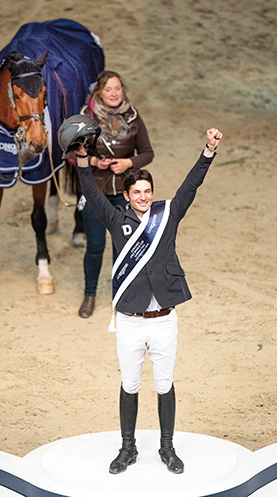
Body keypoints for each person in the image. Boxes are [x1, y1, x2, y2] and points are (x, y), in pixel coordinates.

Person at [57, 117, 222, 474]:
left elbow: (190, 187)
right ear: (128, 197)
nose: (144, 197)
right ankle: (127, 449)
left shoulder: (168, 214)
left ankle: (167, 448)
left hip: (164, 319)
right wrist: (83, 160)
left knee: (164, 385)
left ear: (152, 192)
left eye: (148, 192)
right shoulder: (117, 220)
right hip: (130, 321)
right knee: (129, 384)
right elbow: (91, 192)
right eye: (137, 194)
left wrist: (208, 152)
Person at [75, 70, 154, 318]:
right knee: (95, 247)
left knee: (122, 248)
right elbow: (69, 154)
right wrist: (93, 162)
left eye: (117, 88)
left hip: (123, 194)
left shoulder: (132, 117)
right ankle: (89, 295)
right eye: (108, 89)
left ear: (123, 90)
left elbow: (147, 152)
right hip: (96, 194)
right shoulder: (85, 118)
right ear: (99, 92)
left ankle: (120, 295)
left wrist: (128, 163)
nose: (113, 94)